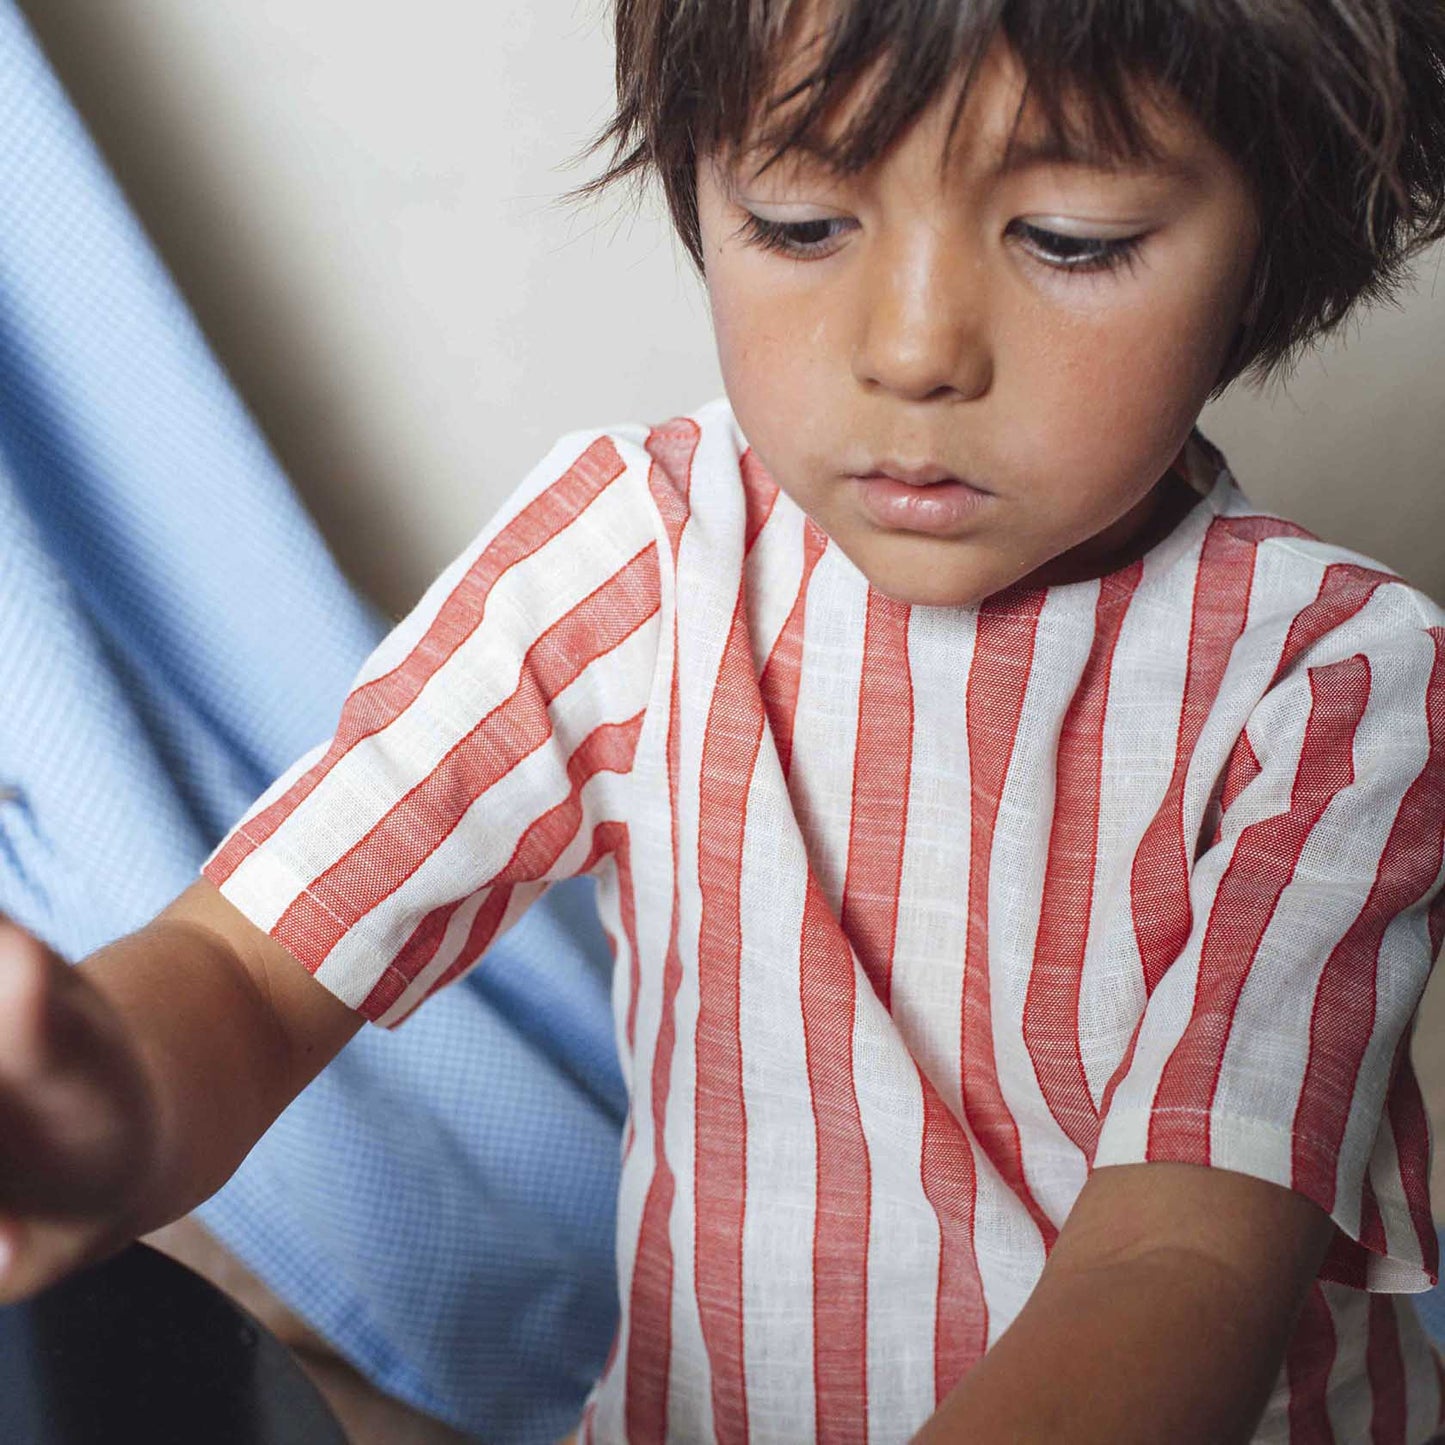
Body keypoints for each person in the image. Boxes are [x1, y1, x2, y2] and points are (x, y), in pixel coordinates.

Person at [3, 0, 1445, 1439]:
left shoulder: (1333, 684)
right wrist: (106, 1106)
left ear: (1278, 227)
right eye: (802, 220)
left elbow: (1177, 1258)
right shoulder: (637, 555)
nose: (913, 348)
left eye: (1069, 238)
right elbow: (250, 968)